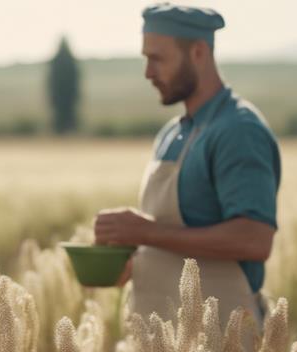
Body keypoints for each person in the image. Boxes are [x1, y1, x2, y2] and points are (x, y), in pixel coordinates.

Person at [94, 2, 281, 330]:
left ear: (198, 52)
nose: (148, 72)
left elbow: (255, 239)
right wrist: (128, 262)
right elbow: (170, 242)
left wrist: (145, 231)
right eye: (145, 58)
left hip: (222, 348)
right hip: (161, 344)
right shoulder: (172, 133)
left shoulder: (238, 131)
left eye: (158, 58)